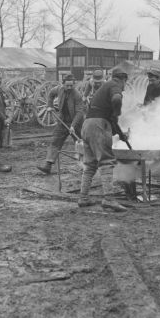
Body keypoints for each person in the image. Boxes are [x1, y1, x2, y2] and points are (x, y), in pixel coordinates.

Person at [78, 66, 130, 212]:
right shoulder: (115, 84)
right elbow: (116, 99)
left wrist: (120, 134)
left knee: (90, 165)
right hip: (98, 126)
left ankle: (83, 198)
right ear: (122, 79)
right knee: (106, 162)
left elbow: (109, 118)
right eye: (125, 83)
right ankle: (108, 199)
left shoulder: (104, 87)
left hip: (87, 125)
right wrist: (118, 112)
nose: (124, 87)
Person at [37, 74, 85, 175]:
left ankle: (85, 166)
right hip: (62, 121)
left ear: (74, 84)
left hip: (76, 123)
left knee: (81, 144)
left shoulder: (77, 95)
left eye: (71, 85)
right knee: (55, 141)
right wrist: (49, 106)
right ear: (63, 84)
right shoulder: (58, 89)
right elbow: (50, 94)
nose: (69, 87)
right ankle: (48, 165)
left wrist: (73, 126)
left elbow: (80, 112)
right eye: (67, 85)